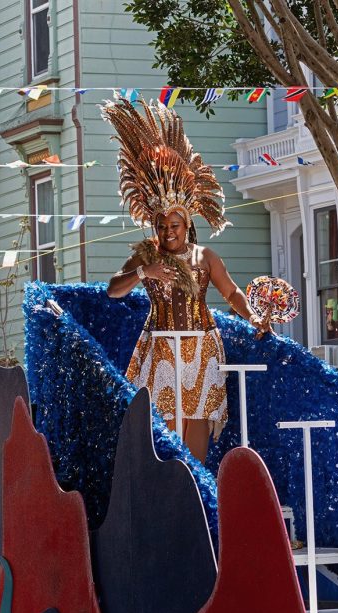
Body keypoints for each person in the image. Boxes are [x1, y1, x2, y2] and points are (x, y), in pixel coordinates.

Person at [104, 97, 272, 462]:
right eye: (161, 226)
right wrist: (142, 272)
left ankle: (193, 496)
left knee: (197, 431)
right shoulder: (146, 253)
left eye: (174, 226)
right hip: (160, 348)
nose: (167, 232)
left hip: (201, 351)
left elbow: (231, 293)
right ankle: (166, 495)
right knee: (162, 431)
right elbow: (113, 290)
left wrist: (254, 317)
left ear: (187, 224)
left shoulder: (205, 257)